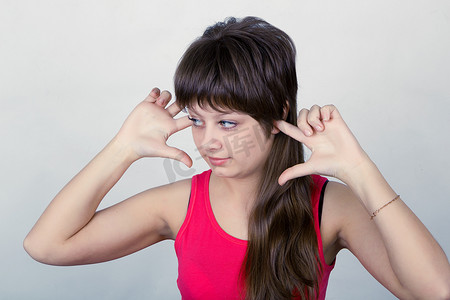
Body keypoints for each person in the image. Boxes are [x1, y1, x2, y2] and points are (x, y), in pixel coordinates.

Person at [24, 17, 449, 300]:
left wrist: (360, 171)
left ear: (278, 110)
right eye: (196, 120)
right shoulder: (178, 205)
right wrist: (122, 148)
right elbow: (46, 246)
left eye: (227, 123)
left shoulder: (330, 207)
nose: (208, 142)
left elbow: (435, 291)